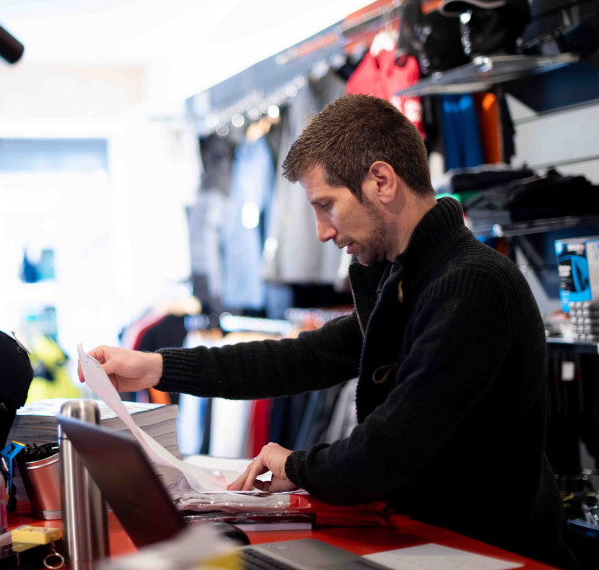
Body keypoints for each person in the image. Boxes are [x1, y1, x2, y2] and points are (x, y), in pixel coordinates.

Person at [80, 95, 577, 569]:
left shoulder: (469, 286)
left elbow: (388, 449)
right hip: (437, 544)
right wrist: (158, 366)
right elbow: (301, 358)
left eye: (326, 205)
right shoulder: (411, 281)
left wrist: (295, 465)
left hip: (498, 555)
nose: (320, 231)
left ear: (381, 180)